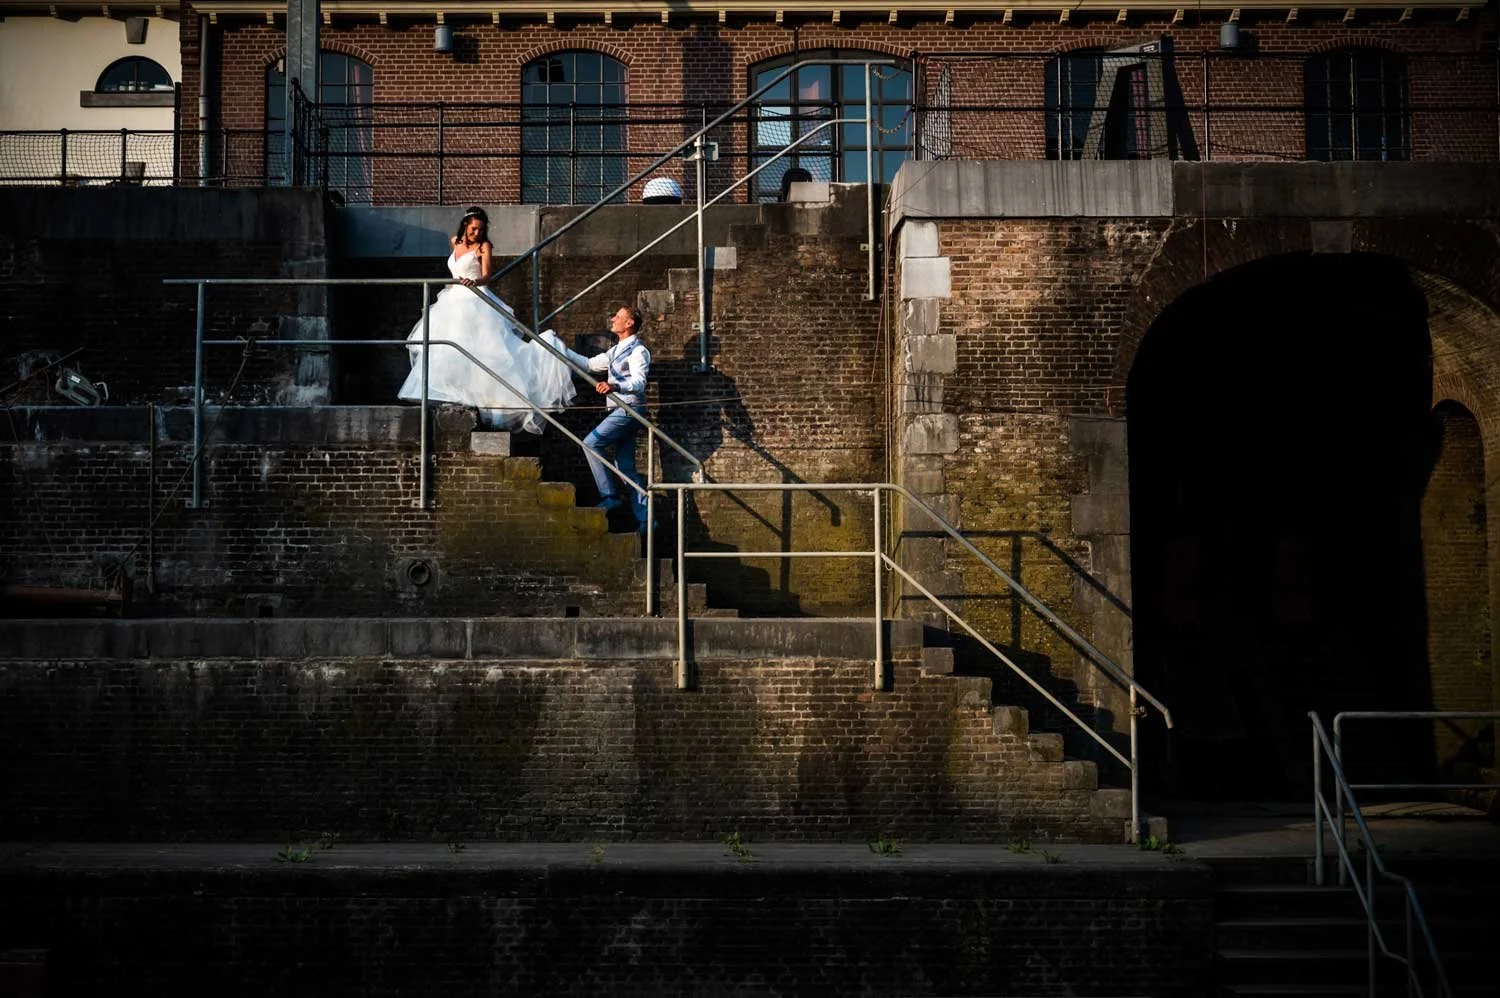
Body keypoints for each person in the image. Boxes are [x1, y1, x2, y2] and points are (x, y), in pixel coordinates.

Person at [397, 207, 576, 433]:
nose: (477, 233)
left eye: (481, 229)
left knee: (483, 349)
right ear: (465, 226)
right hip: (452, 299)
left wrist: (476, 281)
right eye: (473, 229)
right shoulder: (455, 241)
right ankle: (455, 394)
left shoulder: (484, 246)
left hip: (474, 298)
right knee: (448, 348)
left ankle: (482, 399)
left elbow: (487, 274)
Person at [562, 306, 653, 531]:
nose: (613, 319)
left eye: (619, 317)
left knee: (591, 443)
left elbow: (640, 382)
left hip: (629, 410)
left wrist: (615, 385)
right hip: (619, 411)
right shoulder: (615, 350)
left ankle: (610, 495)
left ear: (629, 323)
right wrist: (559, 347)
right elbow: (589, 365)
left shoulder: (638, 351)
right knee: (626, 468)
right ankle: (647, 520)